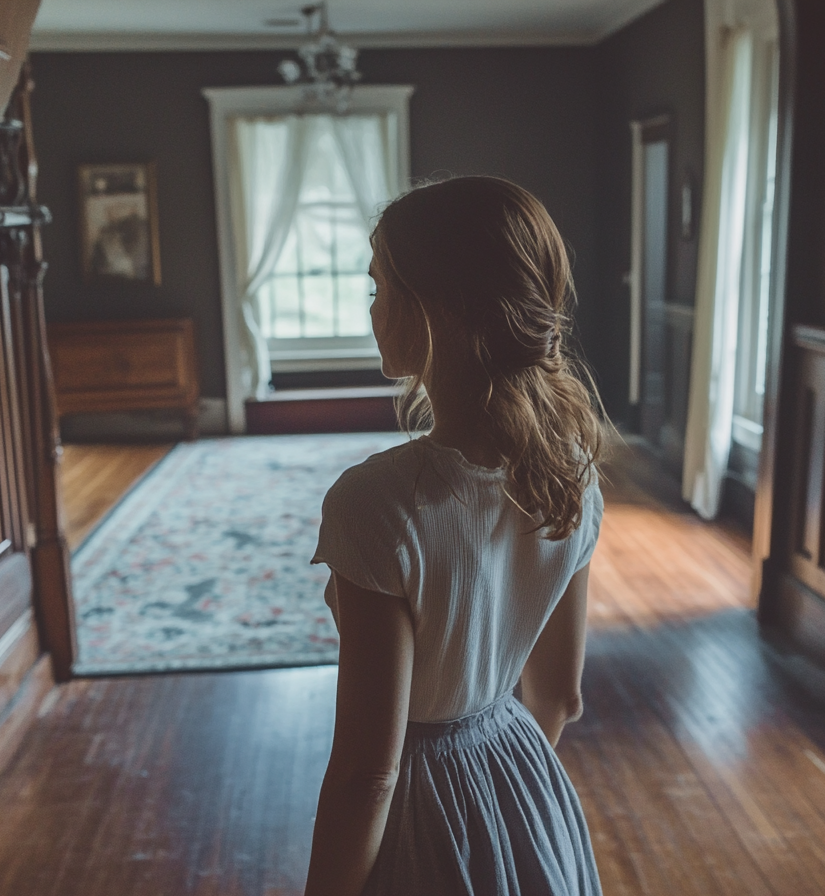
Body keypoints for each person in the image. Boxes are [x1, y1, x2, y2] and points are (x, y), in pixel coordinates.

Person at [304, 176, 607, 896]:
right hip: (524, 780)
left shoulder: (378, 503)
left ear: (434, 307)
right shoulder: (571, 474)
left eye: (380, 288)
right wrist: (497, 793)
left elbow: (368, 775)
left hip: (421, 810)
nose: (372, 308)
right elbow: (560, 696)